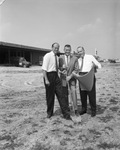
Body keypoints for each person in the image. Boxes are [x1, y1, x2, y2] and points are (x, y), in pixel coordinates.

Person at [42, 42, 72, 120]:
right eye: (55, 48)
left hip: (56, 76)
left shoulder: (57, 57)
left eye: (57, 48)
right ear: (52, 48)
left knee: (61, 94)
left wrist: (62, 70)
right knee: (50, 96)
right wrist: (46, 79)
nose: (56, 49)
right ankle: (49, 113)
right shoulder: (47, 56)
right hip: (49, 76)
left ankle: (66, 114)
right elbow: (44, 69)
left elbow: (57, 67)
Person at [75, 46, 102, 117]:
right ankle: (84, 109)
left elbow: (99, 65)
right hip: (81, 77)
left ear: (84, 50)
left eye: (80, 51)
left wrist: (95, 67)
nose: (79, 53)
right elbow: (77, 69)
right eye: (78, 52)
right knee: (82, 94)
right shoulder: (78, 60)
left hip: (89, 76)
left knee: (91, 94)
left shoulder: (90, 57)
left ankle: (93, 110)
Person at [59, 44, 79, 116]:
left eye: (69, 50)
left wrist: (70, 76)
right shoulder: (60, 58)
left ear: (70, 50)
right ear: (64, 50)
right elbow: (58, 68)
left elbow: (76, 69)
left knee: (73, 92)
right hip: (63, 79)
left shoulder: (75, 58)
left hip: (72, 79)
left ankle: (76, 109)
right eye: (66, 50)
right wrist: (61, 70)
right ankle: (66, 108)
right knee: (64, 93)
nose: (67, 51)